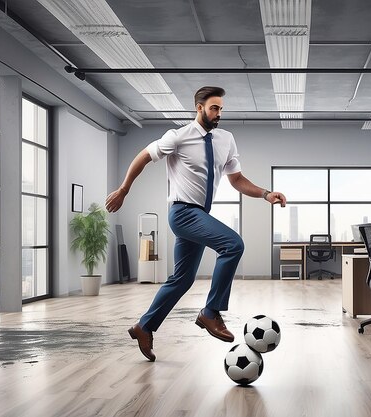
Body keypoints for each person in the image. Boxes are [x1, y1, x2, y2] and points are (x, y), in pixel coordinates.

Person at [105, 86, 287, 362]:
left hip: (199, 213)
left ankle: (144, 327)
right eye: (214, 108)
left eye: (221, 109)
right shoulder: (178, 136)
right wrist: (124, 189)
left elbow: (236, 180)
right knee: (233, 244)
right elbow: (144, 156)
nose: (219, 113)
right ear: (199, 107)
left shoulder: (225, 139)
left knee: (182, 278)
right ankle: (210, 312)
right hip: (182, 213)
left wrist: (265, 193)